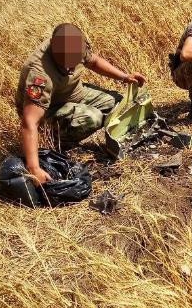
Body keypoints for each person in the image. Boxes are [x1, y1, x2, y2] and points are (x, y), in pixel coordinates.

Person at [16, 23, 147, 186]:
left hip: (74, 93)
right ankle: (61, 141)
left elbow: (94, 62)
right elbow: (30, 122)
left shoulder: (75, 45)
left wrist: (124, 77)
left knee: (119, 103)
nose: (71, 67)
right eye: (66, 62)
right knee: (92, 118)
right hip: (49, 110)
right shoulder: (40, 73)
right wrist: (34, 168)